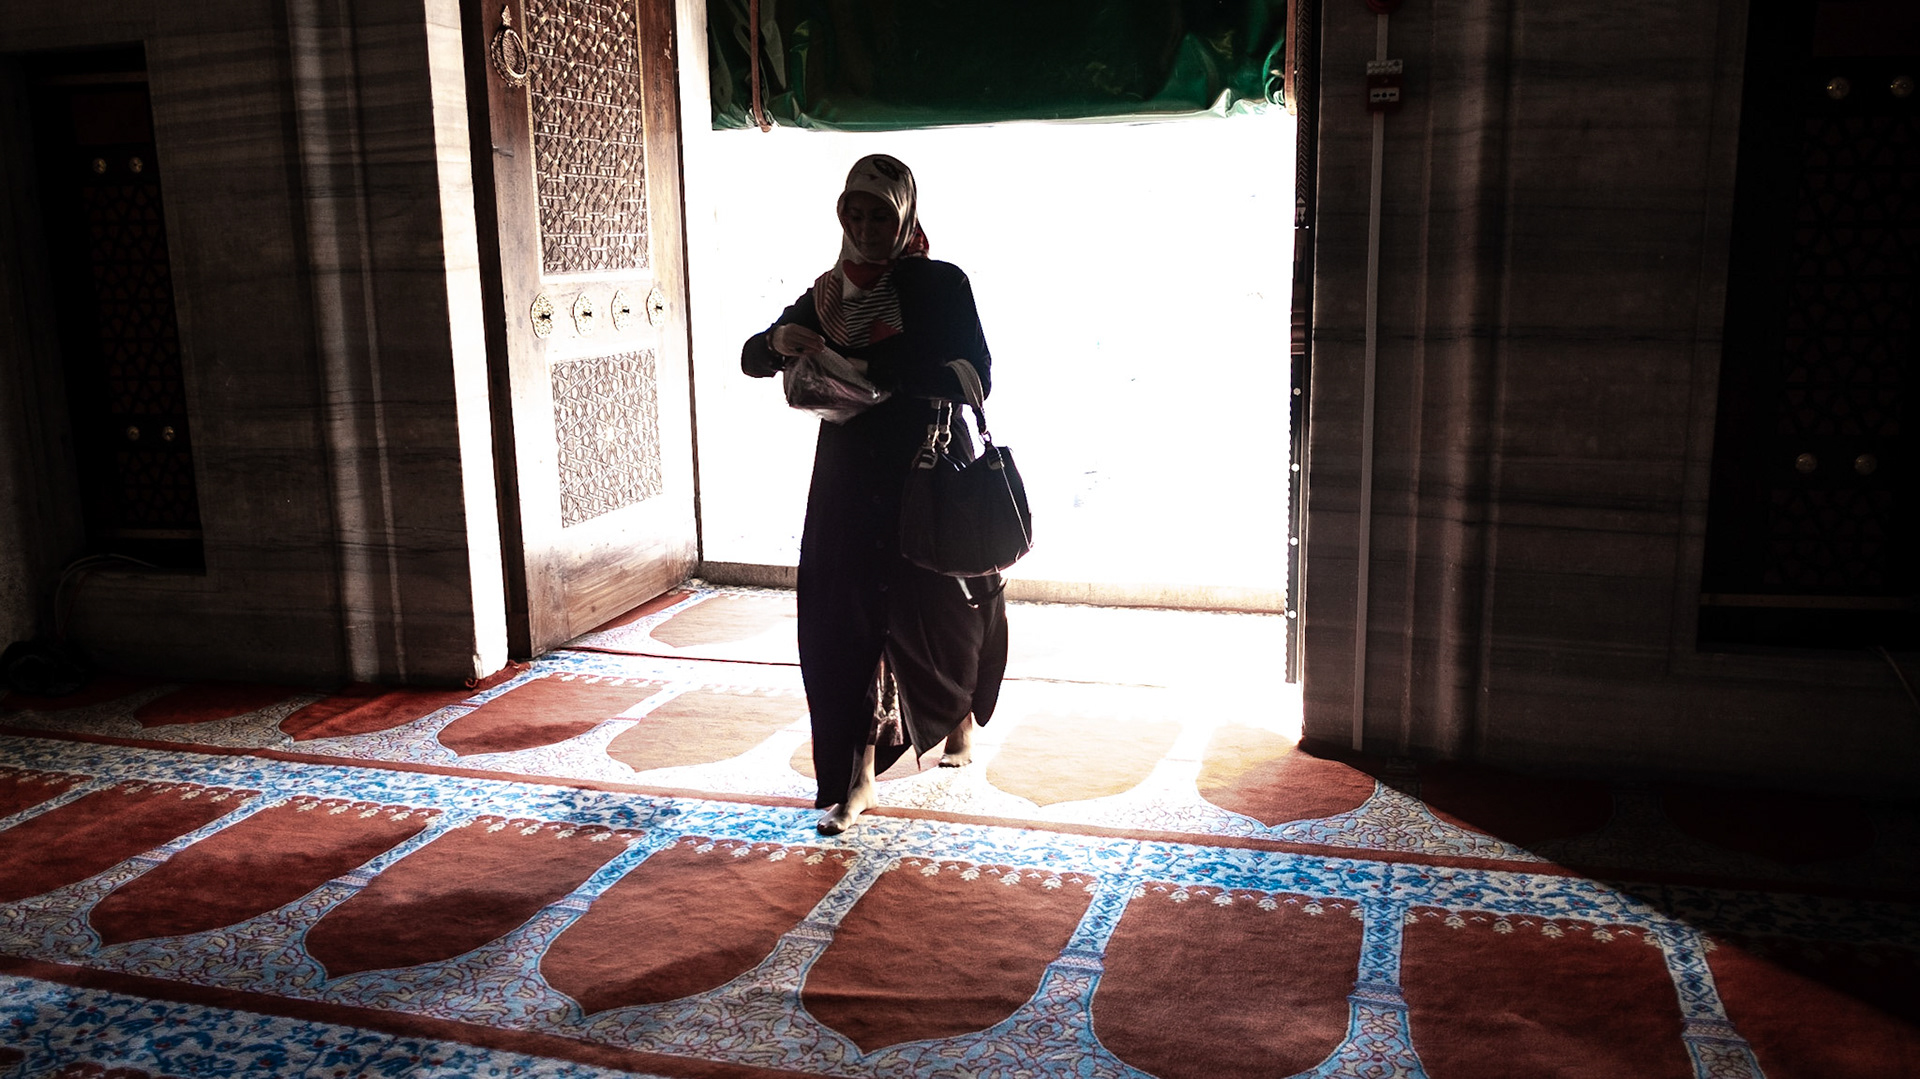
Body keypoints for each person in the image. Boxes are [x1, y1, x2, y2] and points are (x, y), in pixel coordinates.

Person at [741, 154, 1009, 835]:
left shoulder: (940, 285)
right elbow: (750, 356)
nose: (865, 228)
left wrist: (869, 367)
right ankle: (852, 778)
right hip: (849, 478)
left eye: (879, 215)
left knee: (947, 611)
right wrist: (779, 341)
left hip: (928, 469)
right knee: (844, 622)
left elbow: (972, 373)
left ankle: (959, 719)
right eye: (853, 214)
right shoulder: (831, 292)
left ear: (905, 215)